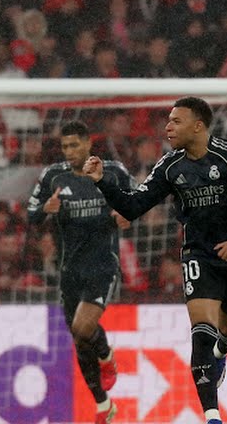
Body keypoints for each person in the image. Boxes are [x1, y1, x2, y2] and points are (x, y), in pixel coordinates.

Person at [83, 97, 227, 424]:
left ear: (198, 126)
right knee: (202, 330)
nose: (168, 127)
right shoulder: (169, 166)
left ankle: (220, 354)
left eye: (176, 121)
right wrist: (102, 180)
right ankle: (212, 416)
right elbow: (134, 206)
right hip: (198, 255)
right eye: (168, 121)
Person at [28, 120, 134, 424]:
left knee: (83, 328)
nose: (69, 151)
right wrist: (45, 210)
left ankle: (106, 355)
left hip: (102, 265)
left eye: (74, 145)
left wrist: (127, 213)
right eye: (65, 146)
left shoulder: (113, 171)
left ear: (88, 144)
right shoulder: (53, 176)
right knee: (79, 338)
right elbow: (31, 214)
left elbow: (138, 201)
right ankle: (103, 406)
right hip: (70, 270)